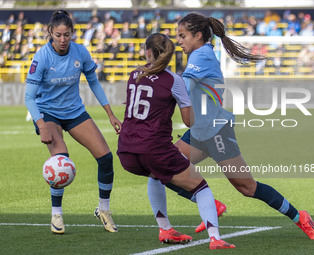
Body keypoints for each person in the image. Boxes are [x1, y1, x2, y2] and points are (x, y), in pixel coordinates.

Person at [151, 12, 314, 241]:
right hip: (201, 131)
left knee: (247, 188)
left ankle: (300, 217)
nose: (178, 41)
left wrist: (151, 79)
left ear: (198, 36)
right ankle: (211, 205)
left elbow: (181, 85)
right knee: (159, 169)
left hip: (216, 131)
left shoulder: (201, 55)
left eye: (182, 36)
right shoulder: (199, 54)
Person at [117, 32, 235, 250]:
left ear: (148, 52)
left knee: (154, 175)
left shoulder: (134, 74)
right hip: (154, 148)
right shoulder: (173, 80)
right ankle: (215, 238)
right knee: (201, 188)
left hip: (126, 150)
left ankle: (165, 229)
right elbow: (188, 122)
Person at [24, 10, 122, 235]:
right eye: (58, 34)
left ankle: (103, 209)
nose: (62, 39)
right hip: (48, 114)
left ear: (72, 34)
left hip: (75, 112)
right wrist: (41, 125)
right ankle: (56, 214)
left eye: (66, 35)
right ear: (51, 32)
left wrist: (110, 114)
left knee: (106, 158)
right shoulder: (41, 57)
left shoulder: (81, 52)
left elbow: (94, 83)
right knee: (61, 161)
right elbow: (29, 97)